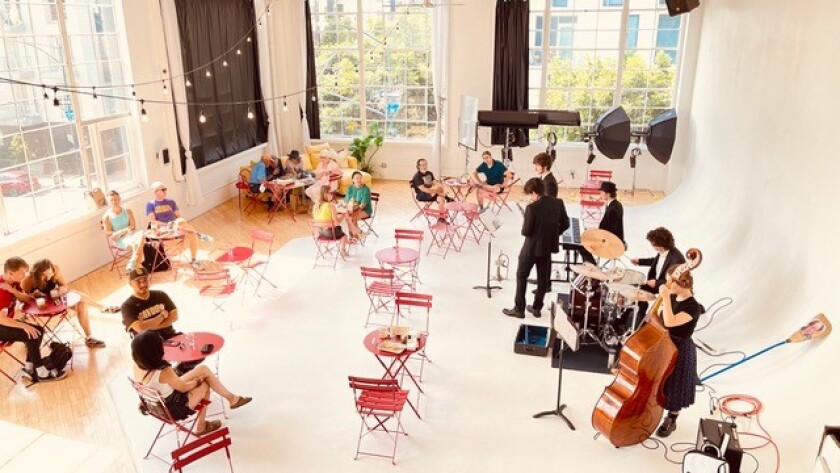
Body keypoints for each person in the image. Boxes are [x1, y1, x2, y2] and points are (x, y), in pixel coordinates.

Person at [131, 330, 252, 436]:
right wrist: (196, 382)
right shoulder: (164, 371)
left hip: (157, 406)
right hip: (174, 408)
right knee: (205, 384)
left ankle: (232, 399)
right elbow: (183, 388)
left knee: (203, 369)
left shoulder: (137, 366)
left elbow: (167, 382)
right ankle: (201, 426)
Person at [503, 178, 570, 319]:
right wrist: (553, 234)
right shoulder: (558, 203)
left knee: (521, 276)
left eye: (530, 194)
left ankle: (519, 309)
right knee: (542, 279)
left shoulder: (532, 208)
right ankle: (536, 308)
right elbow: (566, 223)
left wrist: (526, 219)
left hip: (531, 248)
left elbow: (526, 232)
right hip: (547, 248)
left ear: (534, 192)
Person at [0, 257, 66, 382]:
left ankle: (29, 368)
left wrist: (13, 290)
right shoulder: (2, 291)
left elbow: (25, 299)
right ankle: (42, 373)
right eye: (22, 273)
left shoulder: (12, 283)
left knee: (38, 330)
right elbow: (2, 320)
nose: (25, 275)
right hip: (1, 325)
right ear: (10, 273)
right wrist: (25, 326)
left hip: (5, 324)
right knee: (32, 333)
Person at [655, 265, 702, 438]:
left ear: (683, 283)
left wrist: (665, 298)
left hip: (680, 349)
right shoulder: (673, 296)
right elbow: (660, 317)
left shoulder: (693, 307)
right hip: (665, 344)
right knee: (660, 381)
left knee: (675, 385)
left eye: (670, 281)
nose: (667, 284)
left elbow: (670, 322)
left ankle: (671, 418)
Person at [22, 259, 112, 348]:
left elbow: (64, 285)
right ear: (38, 274)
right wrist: (34, 295)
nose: (49, 278)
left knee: (81, 303)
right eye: (45, 276)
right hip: (41, 306)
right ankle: (102, 308)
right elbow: (24, 298)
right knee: (77, 297)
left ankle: (89, 337)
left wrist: (60, 290)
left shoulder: (55, 269)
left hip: (56, 299)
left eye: (51, 274)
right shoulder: (29, 279)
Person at [146, 181, 213, 265]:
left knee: (191, 233)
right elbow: (152, 221)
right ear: (155, 192)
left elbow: (178, 215)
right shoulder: (150, 204)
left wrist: (173, 222)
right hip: (163, 228)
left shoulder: (171, 201)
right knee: (183, 224)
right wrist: (167, 224)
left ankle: (193, 259)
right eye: (162, 189)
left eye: (165, 189)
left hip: (175, 225)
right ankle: (199, 234)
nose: (165, 191)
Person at [630, 227, 686, 320]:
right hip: (654, 283)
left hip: (666, 287)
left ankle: (638, 322)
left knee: (638, 296)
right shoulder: (663, 251)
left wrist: (656, 283)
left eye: (653, 243)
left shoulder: (677, 259)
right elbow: (656, 261)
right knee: (633, 289)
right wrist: (639, 261)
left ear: (660, 243)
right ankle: (635, 315)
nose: (652, 245)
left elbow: (676, 282)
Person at [121, 267, 180, 340]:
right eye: (138, 282)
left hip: (169, 335)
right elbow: (140, 328)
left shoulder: (160, 294)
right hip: (147, 343)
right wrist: (161, 316)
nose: (143, 284)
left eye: (145, 280)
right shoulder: (127, 306)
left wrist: (149, 326)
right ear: (130, 284)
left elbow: (174, 316)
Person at [579, 180, 624, 264]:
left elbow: (609, 233)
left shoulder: (613, 209)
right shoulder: (615, 204)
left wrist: (595, 236)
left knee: (582, 246)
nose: (600, 194)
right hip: (609, 238)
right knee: (586, 238)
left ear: (607, 194)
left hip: (611, 242)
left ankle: (592, 268)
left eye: (601, 192)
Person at [102, 190, 146, 272]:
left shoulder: (128, 211)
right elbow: (107, 232)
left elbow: (133, 226)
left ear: (119, 199)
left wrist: (123, 231)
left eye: (115, 199)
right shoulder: (107, 216)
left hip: (131, 234)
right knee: (138, 243)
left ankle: (133, 260)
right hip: (120, 239)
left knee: (142, 234)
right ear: (108, 202)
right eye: (111, 200)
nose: (114, 202)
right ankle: (138, 268)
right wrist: (121, 232)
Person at [313, 186, 350, 257]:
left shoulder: (316, 205)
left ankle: (354, 235)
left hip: (320, 232)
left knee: (342, 226)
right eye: (331, 193)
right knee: (344, 235)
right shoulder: (330, 206)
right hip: (330, 233)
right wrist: (343, 215)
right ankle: (342, 250)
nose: (332, 195)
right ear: (325, 194)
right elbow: (337, 223)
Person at [343, 171, 372, 240]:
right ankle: (354, 235)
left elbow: (363, 205)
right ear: (353, 179)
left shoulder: (366, 189)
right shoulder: (350, 188)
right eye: (356, 178)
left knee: (352, 218)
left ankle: (356, 236)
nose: (359, 180)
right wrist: (347, 207)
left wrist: (353, 210)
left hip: (365, 210)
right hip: (352, 209)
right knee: (346, 218)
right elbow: (346, 201)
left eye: (360, 178)